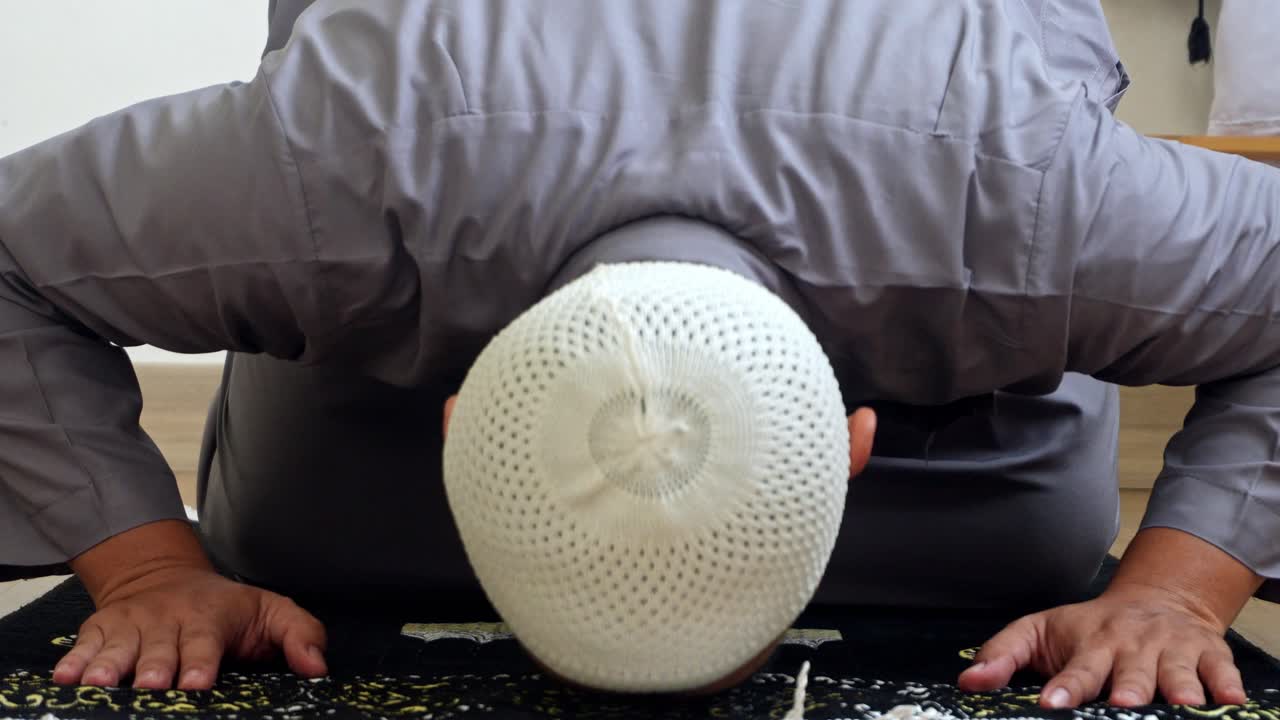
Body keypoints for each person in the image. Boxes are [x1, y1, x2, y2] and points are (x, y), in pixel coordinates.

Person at [0, 0, 1276, 708]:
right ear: (457, 421)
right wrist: (148, 574)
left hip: (938, 180)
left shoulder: (1027, 203)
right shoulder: (326, 180)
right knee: (300, 535)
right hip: (415, 198)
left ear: (852, 441)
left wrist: (1172, 592)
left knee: (1014, 557)